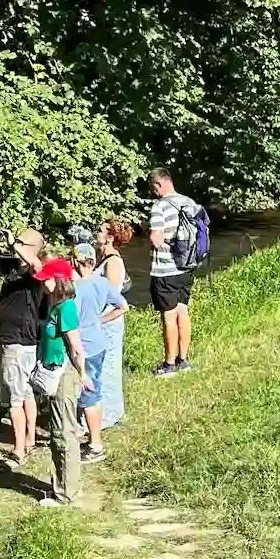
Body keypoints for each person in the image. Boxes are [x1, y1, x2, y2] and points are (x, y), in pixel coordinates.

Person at [0, 228, 45, 468]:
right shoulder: (11, 266)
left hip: (20, 341)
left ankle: (19, 449)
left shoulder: (35, 270)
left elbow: (36, 265)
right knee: (25, 392)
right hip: (10, 339)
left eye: (21, 241)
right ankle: (29, 440)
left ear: (33, 247)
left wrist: (13, 243)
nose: (15, 244)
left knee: (15, 399)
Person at [31, 256, 88, 505]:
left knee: (63, 433)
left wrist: (83, 375)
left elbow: (75, 347)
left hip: (64, 376)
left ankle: (66, 493)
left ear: (58, 281)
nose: (44, 285)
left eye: (47, 281)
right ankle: (68, 487)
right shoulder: (58, 306)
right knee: (60, 431)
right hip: (57, 374)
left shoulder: (66, 308)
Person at [72, 245, 127, 462]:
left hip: (82, 347)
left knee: (86, 395)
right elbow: (122, 307)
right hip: (99, 344)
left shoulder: (75, 288)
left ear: (76, 262)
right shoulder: (102, 282)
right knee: (95, 390)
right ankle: (91, 433)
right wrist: (100, 320)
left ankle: (95, 445)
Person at [146, 168, 199, 375]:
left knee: (168, 317)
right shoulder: (189, 202)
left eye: (153, 187)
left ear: (158, 184)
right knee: (183, 311)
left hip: (165, 270)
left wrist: (167, 247)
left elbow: (155, 237)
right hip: (187, 267)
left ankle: (168, 365)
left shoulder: (159, 206)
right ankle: (183, 361)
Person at [94, 219, 133, 427]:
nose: (96, 233)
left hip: (109, 320)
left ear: (110, 237)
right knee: (100, 366)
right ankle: (104, 412)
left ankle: (109, 415)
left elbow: (110, 295)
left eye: (100, 231)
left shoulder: (113, 262)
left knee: (108, 366)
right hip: (101, 321)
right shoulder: (102, 257)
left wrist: (97, 318)